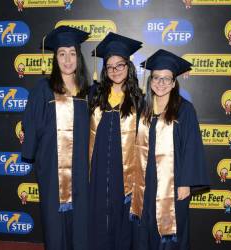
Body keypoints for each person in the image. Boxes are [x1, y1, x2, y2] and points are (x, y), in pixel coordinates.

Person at [130, 49, 210, 250]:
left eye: (167, 79)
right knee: (145, 227)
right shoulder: (143, 108)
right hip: (145, 183)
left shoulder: (184, 109)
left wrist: (186, 184)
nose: (161, 83)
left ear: (174, 82)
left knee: (170, 233)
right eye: (156, 78)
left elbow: (192, 148)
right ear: (150, 81)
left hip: (173, 184)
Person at [21, 25, 90, 250]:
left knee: (81, 220)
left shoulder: (89, 91)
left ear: (78, 57)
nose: (68, 60)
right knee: (53, 221)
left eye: (72, 54)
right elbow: (31, 123)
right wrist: (31, 151)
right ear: (55, 58)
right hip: (51, 167)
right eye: (62, 54)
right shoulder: (43, 88)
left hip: (82, 169)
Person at [88, 32, 143, 250]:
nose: (115, 70)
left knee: (123, 226)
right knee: (98, 221)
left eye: (120, 65)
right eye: (110, 67)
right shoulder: (94, 96)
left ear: (128, 66)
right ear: (104, 70)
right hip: (99, 172)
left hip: (126, 173)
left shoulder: (139, 100)